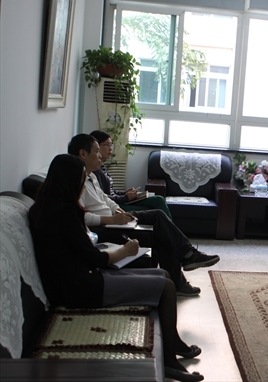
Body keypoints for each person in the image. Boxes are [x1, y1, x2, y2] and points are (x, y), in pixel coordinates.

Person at [28, 154, 204, 382]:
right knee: (166, 287)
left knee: (163, 274)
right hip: (82, 288)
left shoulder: (44, 208)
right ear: (70, 181)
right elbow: (96, 259)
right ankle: (169, 361)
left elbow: (76, 251)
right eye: (81, 180)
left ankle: (174, 343)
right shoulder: (66, 214)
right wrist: (126, 251)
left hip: (74, 279)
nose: (83, 185)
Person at [67, 133, 219, 297]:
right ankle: (185, 262)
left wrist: (119, 210)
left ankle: (184, 264)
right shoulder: (75, 180)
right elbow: (80, 217)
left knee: (159, 219)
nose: (99, 156)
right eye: (97, 151)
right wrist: (111, 219)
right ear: (83, 154)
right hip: (103, 226)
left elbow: (105, 198)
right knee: (160, 226)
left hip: (113, 219)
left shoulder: (90, 175)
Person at [89, 130, 173, 219]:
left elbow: (110, 191)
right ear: (96, 147)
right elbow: (103, 197)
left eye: (111, 145)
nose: (110, 148)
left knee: (158, 199)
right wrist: (126, 197)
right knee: (153, 209)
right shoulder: (94, 171)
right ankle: (168, 227)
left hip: (118, 201)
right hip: (115, 205)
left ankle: (169, 227)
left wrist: (125, 193)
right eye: (106, 145)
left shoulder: (101, 167)